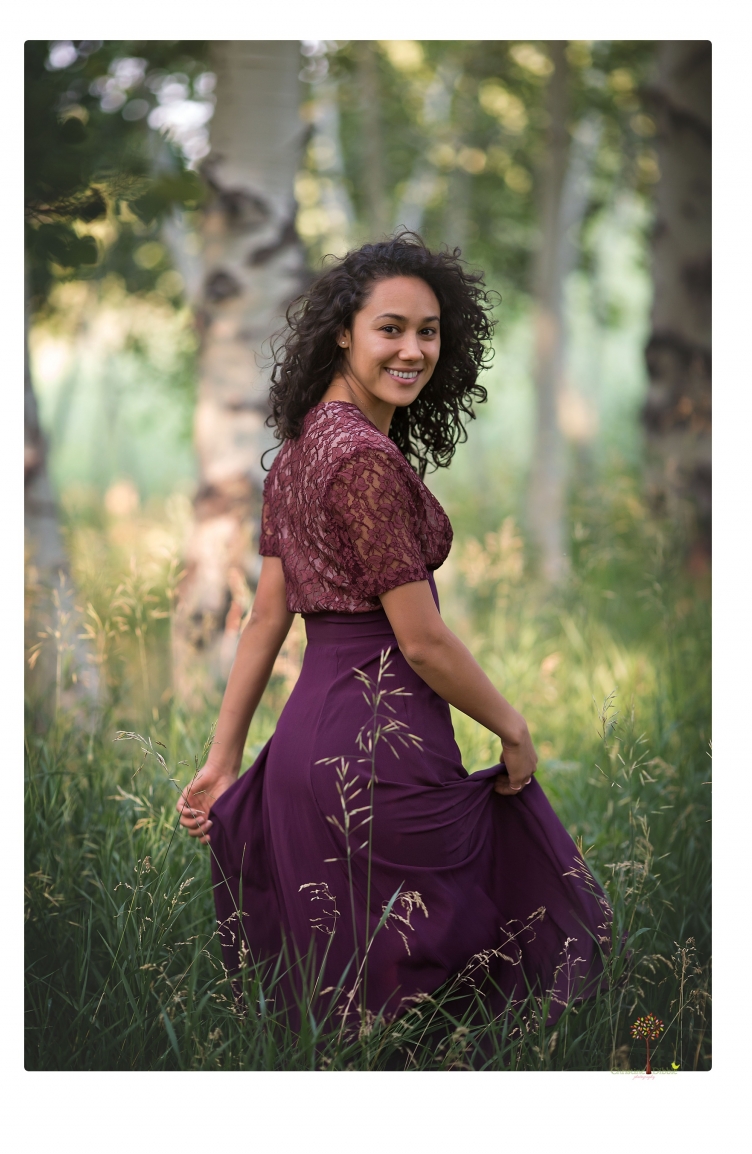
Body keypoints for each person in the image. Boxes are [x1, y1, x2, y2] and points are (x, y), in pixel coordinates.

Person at [177, 233, 610, 1029]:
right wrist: (513, 729)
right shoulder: (363, 462)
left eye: (429, 330)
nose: (413, 349)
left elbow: (268, 619)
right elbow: (421, 641)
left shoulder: (304, 448)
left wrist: (226, 758)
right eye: (391, 328)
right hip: (381, 749)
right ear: (344, 330)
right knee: (446, 978)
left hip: (303, 755)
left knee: (352, 997)